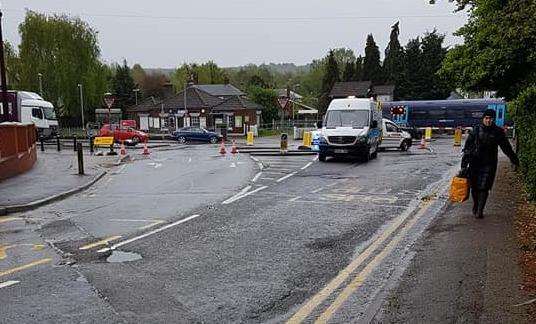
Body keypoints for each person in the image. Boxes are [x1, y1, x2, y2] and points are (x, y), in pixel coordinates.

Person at [460, 109, 519, 218]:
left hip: (489, 163)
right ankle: (476, 205)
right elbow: (467, 148)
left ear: (494, 119)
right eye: (486, 118)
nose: (488, 120)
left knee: (484, 187)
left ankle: (480, 211)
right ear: (483, 119)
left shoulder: (498, 132)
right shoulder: (476, 130)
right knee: (475, 187)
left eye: (490, 118)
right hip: (475, 162)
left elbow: (506, 147)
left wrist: (514, 159)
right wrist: (463, 165)